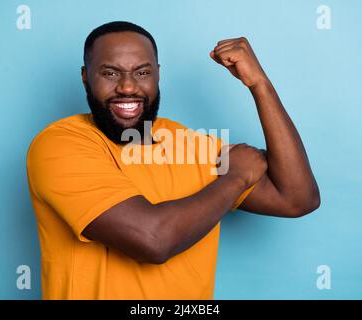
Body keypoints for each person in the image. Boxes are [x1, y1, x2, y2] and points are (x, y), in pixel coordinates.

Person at [26, 21, 320, 299]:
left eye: (142, 72)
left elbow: (297, 199)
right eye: (110, 73)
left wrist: (259, 85)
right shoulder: (60, 145)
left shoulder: (184, 142)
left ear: (157, 74)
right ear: (85, 77)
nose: (128, 87)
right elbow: (153, 241)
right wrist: (235, 178)